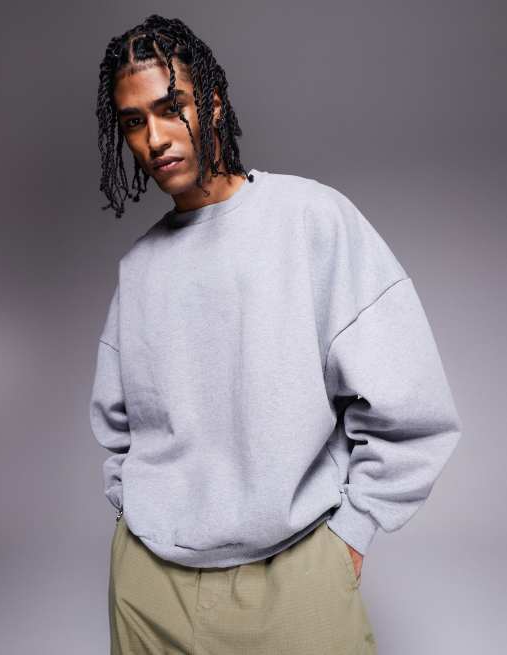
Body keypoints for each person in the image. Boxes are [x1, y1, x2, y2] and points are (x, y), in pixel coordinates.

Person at [90, 14, 462, 655]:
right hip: (150, 588)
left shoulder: (311, 220)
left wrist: (352, 533)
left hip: (295, 580)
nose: (153, 138)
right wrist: (134, 521)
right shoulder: (140, 268)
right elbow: (120, 426)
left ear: (211, 101)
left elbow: (411, 406)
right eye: (133, 121)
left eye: (171, 108)